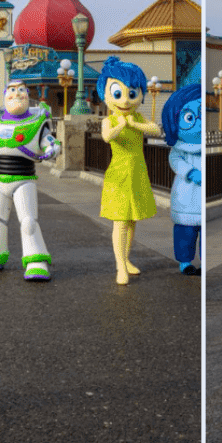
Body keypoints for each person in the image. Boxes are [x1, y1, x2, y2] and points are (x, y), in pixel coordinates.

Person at [0, 80, 60, 280]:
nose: (17, 94)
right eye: (12, 90)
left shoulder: (36, 122)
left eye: (21, 90)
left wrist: (51, 150)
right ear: (5, 94)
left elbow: (50, 142)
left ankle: (35, 260)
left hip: (24, 179)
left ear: (27, 94)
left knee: (28, 222)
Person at [97, 57, 161, 285]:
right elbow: (106, 136)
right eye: (118, 94)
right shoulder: (109, 120)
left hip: (137, 173)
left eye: (132, 94)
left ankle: (127, 258)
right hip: (119, 175)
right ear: (106, 94)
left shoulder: (137, 118)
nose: (125, 100)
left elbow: (154, 128)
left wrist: (133, 124)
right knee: (120, 221)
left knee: (133, 220)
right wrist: (122, 125)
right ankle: (120, 266)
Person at [161, 83, 202, 276]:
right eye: (190, 118)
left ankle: (205, 260)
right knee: (185, 231)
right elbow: (175, 160)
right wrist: (190, 172)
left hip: (202, 196)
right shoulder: (179, 147)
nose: (199, 122)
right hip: (186, 194)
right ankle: (185, 262)